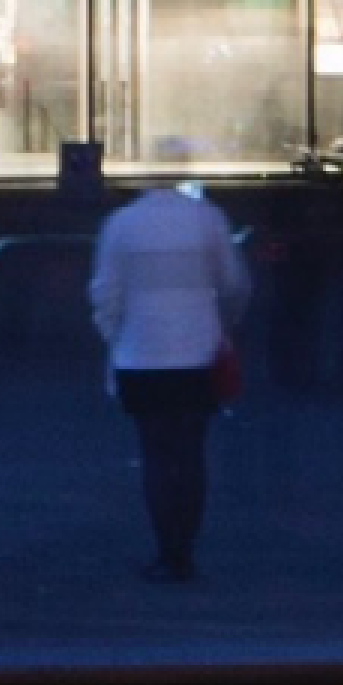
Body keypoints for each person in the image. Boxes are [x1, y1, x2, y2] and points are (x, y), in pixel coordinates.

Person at [84, 168, 255, 581]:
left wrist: (115, 336)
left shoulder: (121, 223)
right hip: (198, 350)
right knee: (191, 453)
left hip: (141, 353)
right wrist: (221, 323)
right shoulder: (208, 218)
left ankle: (167, 550)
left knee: (157, 455)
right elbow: (233, 284)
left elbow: (106, 292)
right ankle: (185, 550)